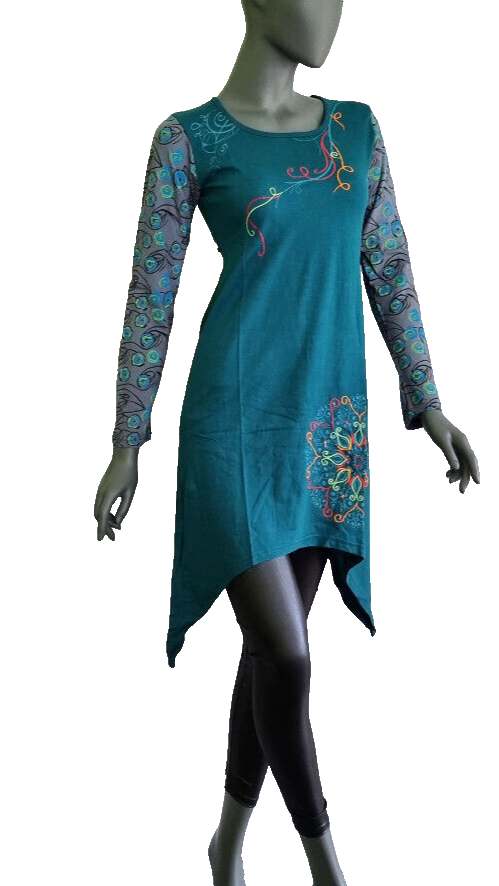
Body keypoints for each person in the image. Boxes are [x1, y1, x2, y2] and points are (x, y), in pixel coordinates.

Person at [95, 1, 480, 884]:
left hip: (326, 430)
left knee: (272, 655)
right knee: (290, 655)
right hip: (232, 425)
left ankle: (225, 844)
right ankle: (327, 866)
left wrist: (428, 405)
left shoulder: (356, 132)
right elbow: (152, 293)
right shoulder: (188, 140)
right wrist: (127, 437)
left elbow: (389, 268)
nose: (331, 11)